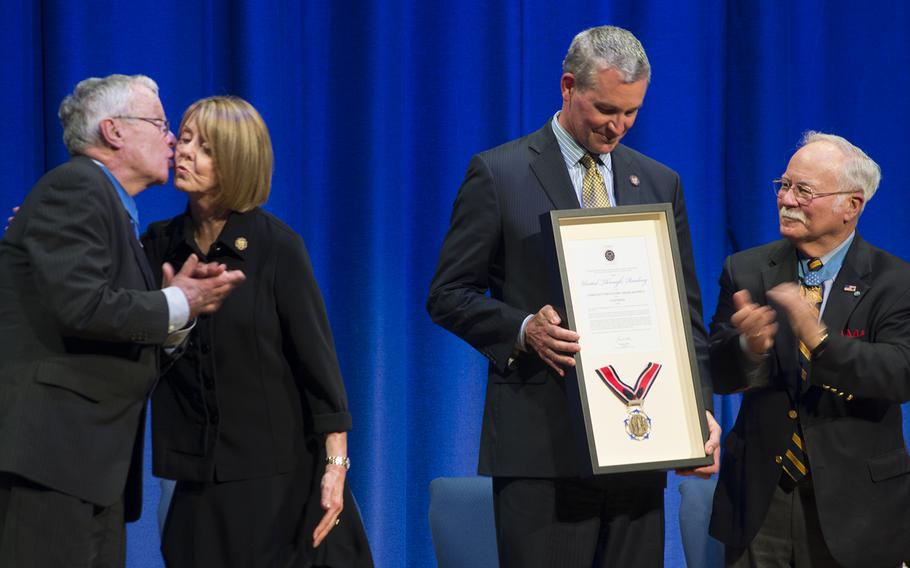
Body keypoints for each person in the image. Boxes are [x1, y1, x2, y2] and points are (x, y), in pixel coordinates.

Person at [426, 25, 719, 567]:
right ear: (567, 86)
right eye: (606, 108)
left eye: (632, 112)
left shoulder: (658, 183)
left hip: (638, 446)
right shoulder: (499, 173)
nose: (619, 126)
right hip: (542, 451)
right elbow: (447, 294)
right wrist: (521, 329)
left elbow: (685, 314)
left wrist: (694, 411)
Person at [0, 74, 245, 568]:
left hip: (87, 465)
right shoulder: (76, 187)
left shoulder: (111, 208)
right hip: (52, 459)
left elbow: (107, 326)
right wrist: (177, 301)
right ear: (113, 132)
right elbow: (84, 307)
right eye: (160, 124)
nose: (172, 139)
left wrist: (177, 317)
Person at [143, 96, 372, 567]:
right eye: (183, 139)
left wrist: (336, 468)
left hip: (276, 484)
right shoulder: (157, 244)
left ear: (236, 161)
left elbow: (320, 371)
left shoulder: (275, 248)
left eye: (203, 147)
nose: (183, 152)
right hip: (192, 477)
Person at [708, 132, 910, 567]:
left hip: (858, 506)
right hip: (761, 499)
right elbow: (717, 373)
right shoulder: (745, 269)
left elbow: (900, 372)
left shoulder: (895, 281)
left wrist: (819, 341)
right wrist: (747, 346)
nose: (787, 199)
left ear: (852, 205)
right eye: (784, 185)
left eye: (804, 190)